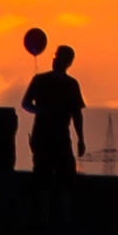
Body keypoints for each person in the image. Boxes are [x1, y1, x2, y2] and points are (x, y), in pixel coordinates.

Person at [24, 39, 86, 198]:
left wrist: (81, 139)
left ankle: (63, 217)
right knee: (43, 178)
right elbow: (26, 103)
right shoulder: (40, 80)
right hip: (43, 137)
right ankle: (46, 216)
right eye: (55, 57)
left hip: (60, 138)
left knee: (65, 179)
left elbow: (76, 114)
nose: (55, 61)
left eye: (58, 58)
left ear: (67, 62)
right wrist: (40, 111)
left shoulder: (71, 84)